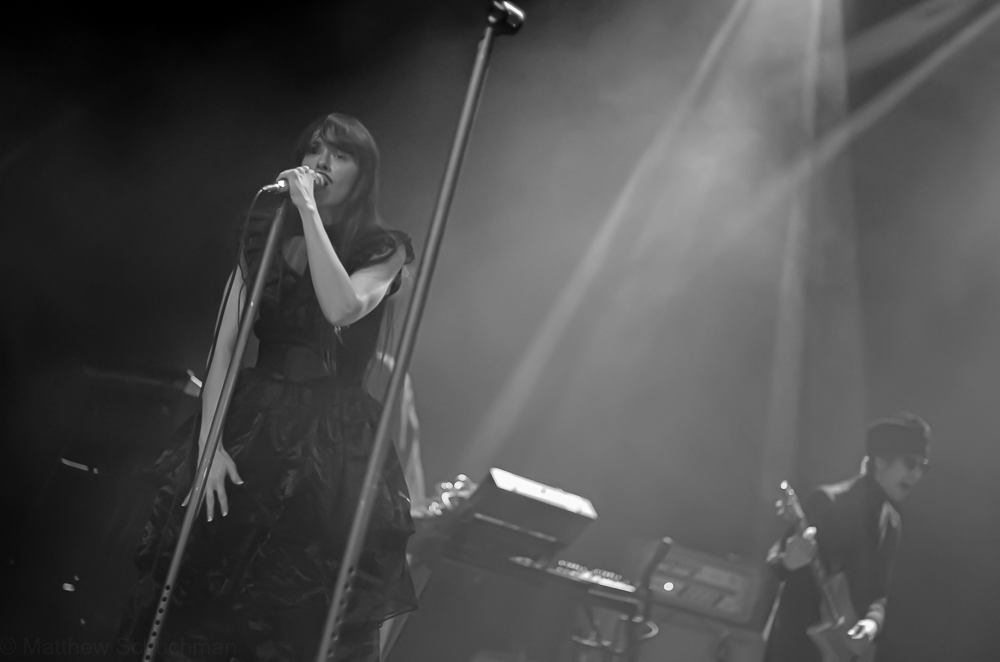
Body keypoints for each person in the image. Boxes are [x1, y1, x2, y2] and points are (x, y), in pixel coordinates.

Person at [118, 113, 418, 662]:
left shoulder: (385, 249)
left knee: (294, 599)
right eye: (314, 150)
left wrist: (309, 212)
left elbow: (342, 307)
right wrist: (209, 447)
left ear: (363, 173)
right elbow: (225, 347)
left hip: (329, 442)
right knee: (206, 595)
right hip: (254, 421)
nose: (321, 164)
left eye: (340, 155)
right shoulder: (266, 236)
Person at [762, 413, 931, 662]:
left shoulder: (892, 524)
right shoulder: (828, 501)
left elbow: (879, 594)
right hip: (793, 649)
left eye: (922, 467)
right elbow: (773, 560)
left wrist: (872, 624)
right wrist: (789, 561)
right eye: (910, 464)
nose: (916, 475)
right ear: (881, 461)